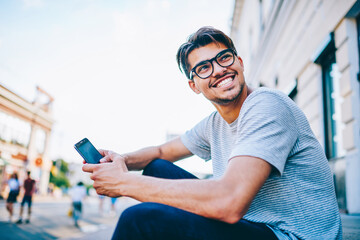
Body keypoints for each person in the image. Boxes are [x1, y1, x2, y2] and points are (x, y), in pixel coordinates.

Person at [82, 27, 342, 239]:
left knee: (139, 220)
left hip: (292, 235)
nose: (218, 70)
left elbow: (229, 202)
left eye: (224, 58)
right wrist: (120, 161)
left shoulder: (267, 105)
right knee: (157, 167)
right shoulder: (214, 124)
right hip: (254, 226)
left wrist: (124, 183)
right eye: (204, 68)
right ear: (194, 85)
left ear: (239, 62)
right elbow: (162, 151)